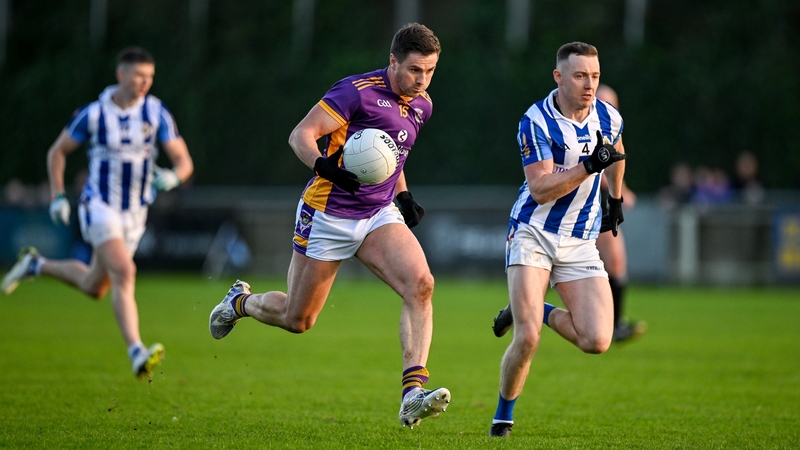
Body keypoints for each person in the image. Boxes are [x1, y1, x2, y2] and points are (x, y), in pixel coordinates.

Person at [208, 23, 450, 429]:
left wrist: (404, 195)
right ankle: (240, 303)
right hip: (328, 212)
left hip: (377, 214)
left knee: (421, 284)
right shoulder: (355, 92)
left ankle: (412, 393)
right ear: (393, 61)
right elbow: (300, 135)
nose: (422, 80)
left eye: (430, 71)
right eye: (414, 70)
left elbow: (390, 156)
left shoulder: (421, 104)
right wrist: (324, 167)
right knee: (298, 320)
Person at [1, 47, 194, 380]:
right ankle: (136, 351)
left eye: (150, 76)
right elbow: (57, 152)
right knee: (125, 273)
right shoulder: (94, 114)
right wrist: (58, 196)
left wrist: (175, 177)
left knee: (96, 286)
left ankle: (35, 264)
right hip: (99, 206)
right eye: (139, 75)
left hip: (135, 213)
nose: (145, 82)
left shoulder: (156, 112)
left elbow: (184, 160)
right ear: (121, 75)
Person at [486, 42, 626, 437]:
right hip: (533, 231)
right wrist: (589, 167)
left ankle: (535, 308)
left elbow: (618, 151)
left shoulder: (608, 115)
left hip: (579, 238)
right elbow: (541, 189)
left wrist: (615, 199)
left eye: (594, 76)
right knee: (527, 337)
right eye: (580, 76)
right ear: (558, 77)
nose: (589, 84)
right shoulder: (536, 121)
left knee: (597, 340)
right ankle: (502, 419)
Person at [594, 84, 646, 343]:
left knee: (615, 263)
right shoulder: (584, 127)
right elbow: (596, 170)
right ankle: (523, 307)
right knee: (552, 267)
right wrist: (621, 192)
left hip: (602, 207)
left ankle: (615, 324)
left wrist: (621, 190)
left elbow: (614, 165)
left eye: (611, 103)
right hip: (583, 207)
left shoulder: (613, 128)